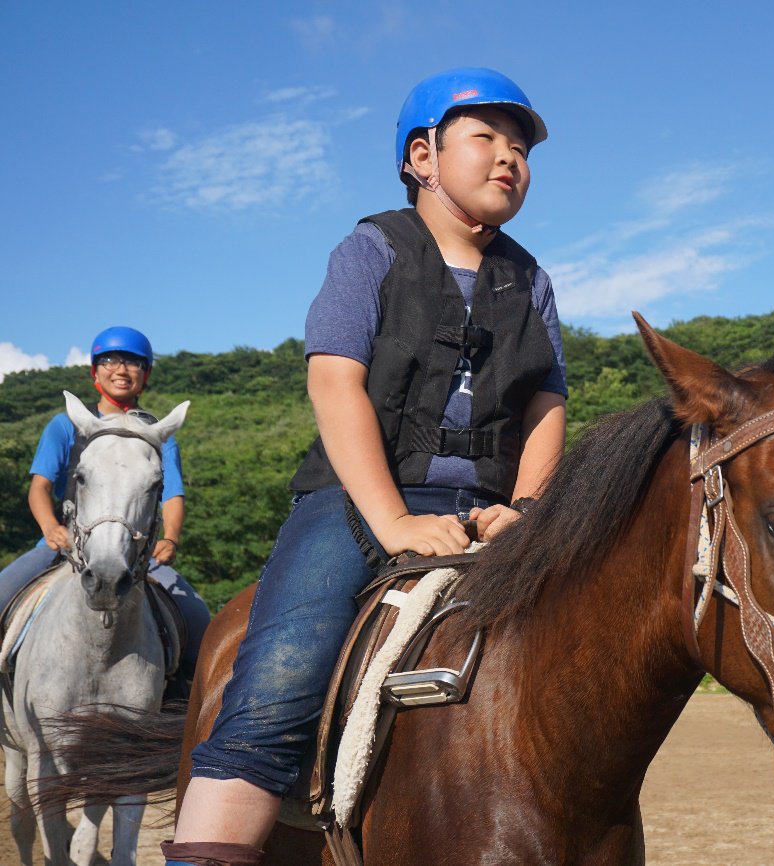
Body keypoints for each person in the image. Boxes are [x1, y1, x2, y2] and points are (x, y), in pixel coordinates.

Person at [163, 67, 567, 866]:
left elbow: (545, 407)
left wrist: (525, 505)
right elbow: (334, 380)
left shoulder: (532, 280)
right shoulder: (372, 247)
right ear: (422, 156)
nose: (509, 158)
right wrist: (392, 521)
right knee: (280, 675)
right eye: (485, 139)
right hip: (356, 504)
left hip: (493, 508)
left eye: (519, 147)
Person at [0, 325, 210, 683]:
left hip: (137, 552)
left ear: (146, 374)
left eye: (132, 362)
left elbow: (173, 495)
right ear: (95, 371)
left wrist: (170, 538)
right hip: (62, 544)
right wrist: (51, 528)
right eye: (111, 360)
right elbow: (40, 488)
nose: (121, 369)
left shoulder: (158, 434)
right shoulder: (65, 426)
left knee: (201, 627)